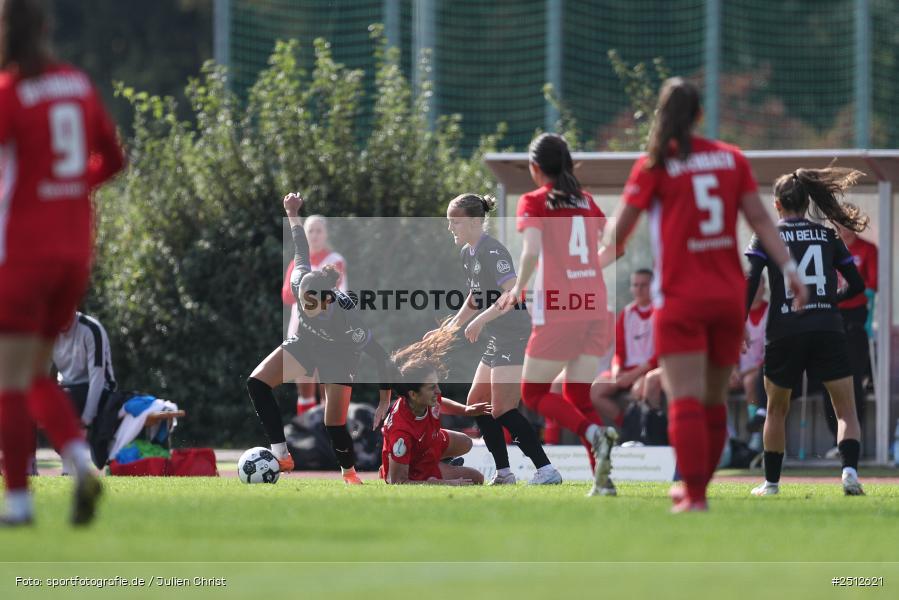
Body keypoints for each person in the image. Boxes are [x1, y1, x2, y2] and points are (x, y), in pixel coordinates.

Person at [609, 77, 806, 512]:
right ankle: (698, 487)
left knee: (684, 401)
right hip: (727, 298)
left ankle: (694, 495)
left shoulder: (654, 165)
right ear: (700, 115)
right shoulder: (730, 158)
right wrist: (790, 270)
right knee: (715, 401)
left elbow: (619, 231)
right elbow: (760, 220)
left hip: (680, 300)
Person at [0, 0, 125, 526]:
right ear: (47, 28)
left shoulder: (8, 93)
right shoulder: (76, 84)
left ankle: (20, 503)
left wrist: (39, 196)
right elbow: (113, 159)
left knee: (9, 377)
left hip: (23, 254)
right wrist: (68, 191)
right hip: (74, 251)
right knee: (31, 373)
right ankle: (79, 463)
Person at [498, 133, 620, 496]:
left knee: (532, 393)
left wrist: (518, 286)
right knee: (579, 397)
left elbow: (531, 250)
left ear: (536, 169)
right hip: (597, 307)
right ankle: (604, 481)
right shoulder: (586, 200)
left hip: (562, 309)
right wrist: (588, 270)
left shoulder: (534, 201)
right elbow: (616, 245)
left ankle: (593, 434)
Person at [246, 193, 394, 485]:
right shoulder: (300, 279)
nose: (307, 309)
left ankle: (349, 474)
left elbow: (381, 356)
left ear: (328, 302)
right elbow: (300, 246)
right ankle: (281, 453)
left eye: (313, 306)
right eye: (304, 304)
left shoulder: (346, 317)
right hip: (305, 344)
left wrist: (383, 401)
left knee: (334, 423)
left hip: (339, 355)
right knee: (257, 382)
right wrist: (292, 212)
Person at [745, 167, 867, 497]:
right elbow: (857, 284)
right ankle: (849, 473)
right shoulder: (828, 235)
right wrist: (830, 300)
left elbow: (750, 280)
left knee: (776, 410)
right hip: (827, 327)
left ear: (777, 204)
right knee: (846, 409)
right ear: (806, 200)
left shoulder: (767, 235)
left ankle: (771, 484)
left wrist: (740, 321)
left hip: (784, 329)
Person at [424, 193, 561, 485]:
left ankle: (547, 471)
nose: (451, 228)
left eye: (455, 222)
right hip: (498, 337)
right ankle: (504, 473)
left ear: (475, 222)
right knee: (477, 403)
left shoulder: (492, 251)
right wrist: (450, 328)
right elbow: (475, 297)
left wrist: (481, 320)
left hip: (515, 335)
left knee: (502, 409)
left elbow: (512, 293)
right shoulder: (467, 253)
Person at [381, 328, 489, 486]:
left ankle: (440, 467)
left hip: (427, 445)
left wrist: (466, 410)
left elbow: (440, 401)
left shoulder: (423, 397)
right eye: (432, 387)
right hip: (415, 466)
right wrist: (447, 483)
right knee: (477, 479)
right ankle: (428, 473)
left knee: (466, 442)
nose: (438, 391)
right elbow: (399, 482)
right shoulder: (401, 434)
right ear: (413, 394)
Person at [820, 222, 878, 458]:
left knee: (853, 379)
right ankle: (837, 439)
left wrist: (851, 291)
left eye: (847, 224)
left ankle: (853, 440)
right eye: (838, 225)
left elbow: (873, 284)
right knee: (828, 379)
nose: (843, 230)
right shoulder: (828, 248)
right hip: (831, 316)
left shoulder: (867, 250)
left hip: (856, 319)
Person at [281, 215, 348, 415]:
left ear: (326, 234)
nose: (315, 235)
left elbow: (332, 293)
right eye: (310, 230)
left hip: (328, 328)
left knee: (326, 383)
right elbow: (286, 295)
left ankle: (326, 436)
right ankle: (307, 435)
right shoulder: (298, 262)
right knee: (304, 383)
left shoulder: (335, 260)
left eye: (319, 230)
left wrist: (305, 291)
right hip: (300, 327)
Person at [591, 269, 662, 428]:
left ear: (653, 286)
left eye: (644, 285)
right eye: (635, 285)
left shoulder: (660, 313)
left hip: (646, 371)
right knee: (595, 391)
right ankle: (627, 427)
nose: (639, 289)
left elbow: (660, 355)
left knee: (638, 391)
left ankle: (650, 432)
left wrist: (632, 375)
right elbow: (619, 350)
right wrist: (617, 371)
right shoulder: (626, 313)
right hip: (626, 371)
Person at [53, 311, 117, 430]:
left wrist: (87, 418)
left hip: (99, 389)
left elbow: (97, 377)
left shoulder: (91, 329)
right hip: (67, 388)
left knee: (63, 399)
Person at [736, 277, 769, 446]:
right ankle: (726, 437)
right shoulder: (738, 313)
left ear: (764, 287)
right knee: (713, 384)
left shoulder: (771, 311)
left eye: (758, 284)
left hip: (761, 369)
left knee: (751, 382)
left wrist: (746, 371)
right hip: (739, 371)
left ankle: (755, 437)